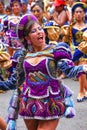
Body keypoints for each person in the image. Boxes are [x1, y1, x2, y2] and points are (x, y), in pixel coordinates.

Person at [1, 14, 87, 130]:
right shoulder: (22, 56)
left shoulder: (56, 50)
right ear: (27, 38)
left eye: (40, 29)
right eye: (33, 31)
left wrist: (83, 68)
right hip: (28, 102)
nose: (39, 32)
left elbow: (69, 70)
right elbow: (13, 82)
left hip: (51, 101)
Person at [71, 2, 87, 102]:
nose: (78, 14)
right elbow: (67, 41)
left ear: (84, 13)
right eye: (76, 12)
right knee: (81, 68)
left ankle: (81, 91)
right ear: (73, 14)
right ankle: (83, 91)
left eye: (80, 12)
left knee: (82, 65)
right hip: (76, 52)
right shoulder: (70, 27)